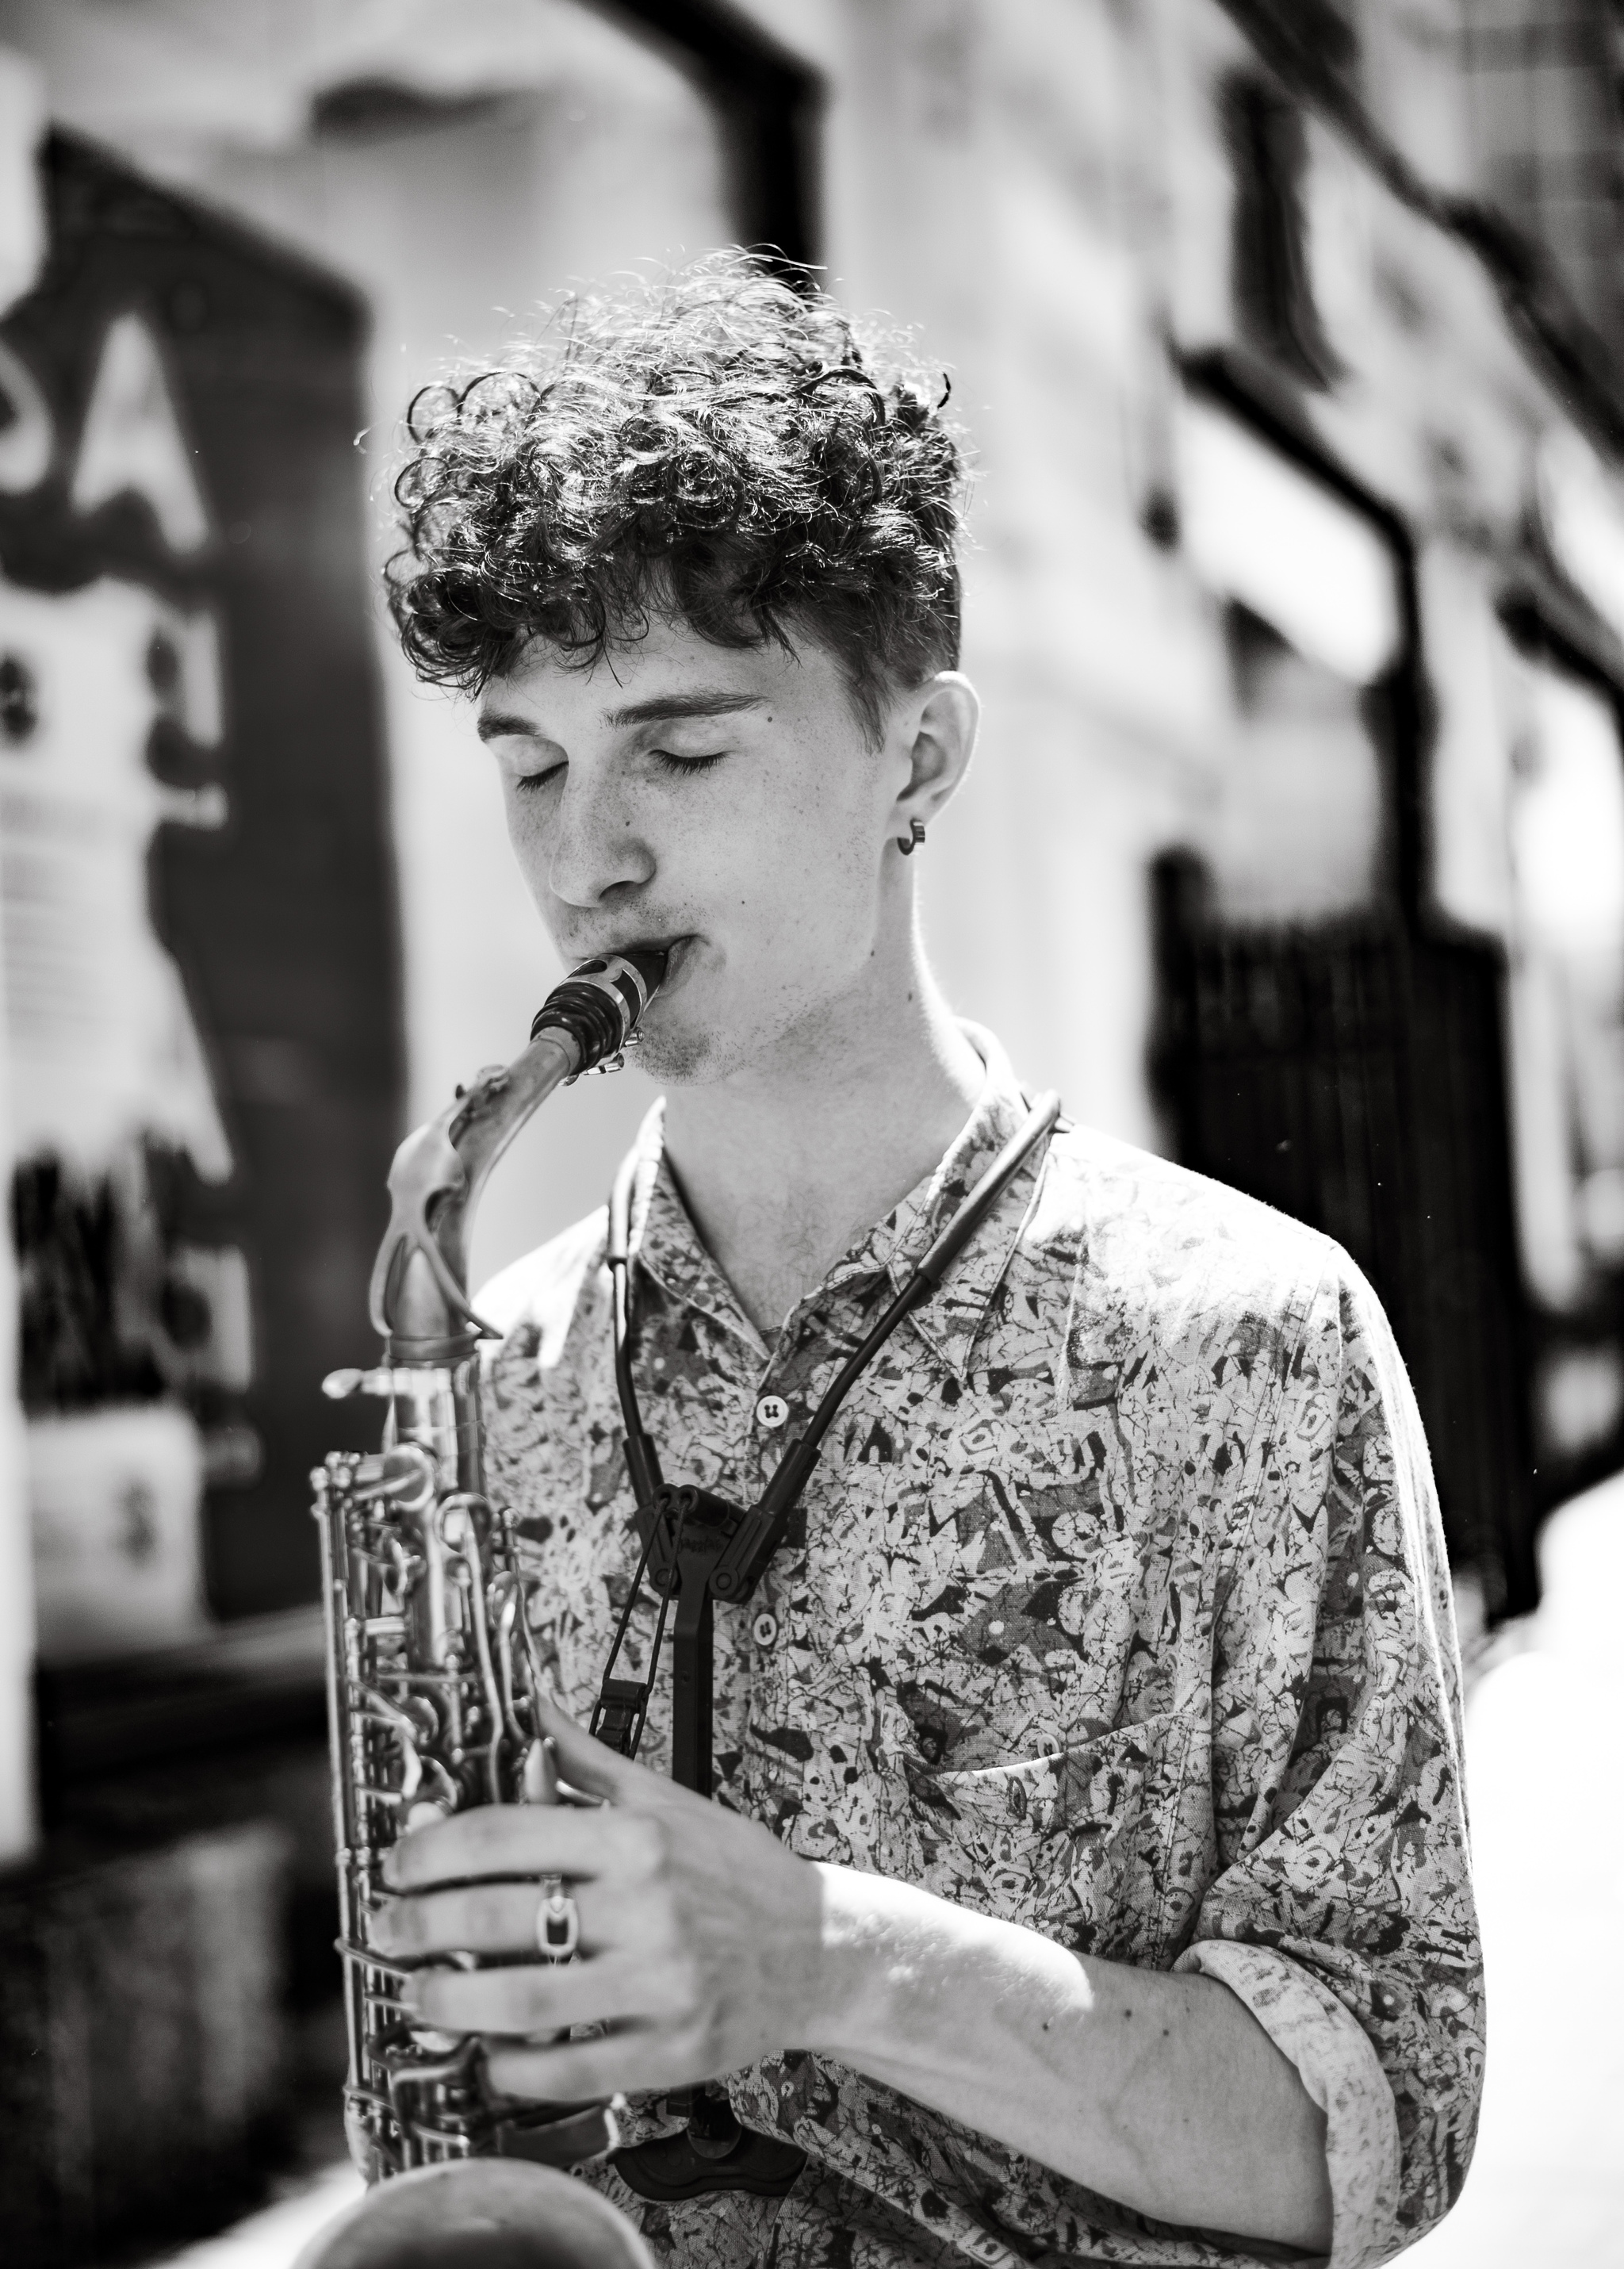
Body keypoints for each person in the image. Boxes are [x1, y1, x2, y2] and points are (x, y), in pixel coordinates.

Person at [368, 254, 1482, 2269]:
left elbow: (1377, 2137)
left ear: (923, 763)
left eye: (678, 753)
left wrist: (823, 1961)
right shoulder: (478, 1372)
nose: (581, 860)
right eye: (528, 761)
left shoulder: (1245, 1340)